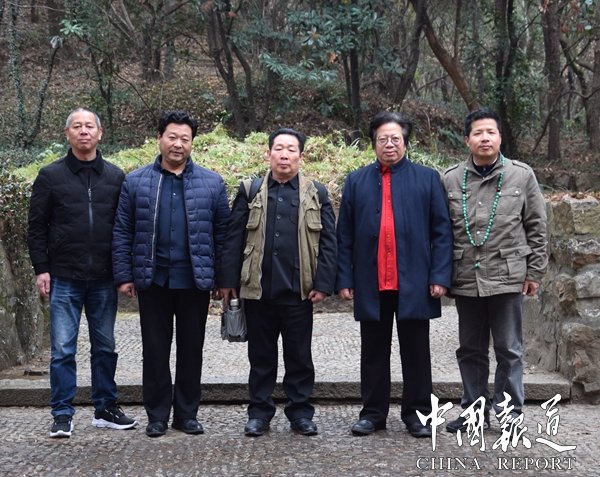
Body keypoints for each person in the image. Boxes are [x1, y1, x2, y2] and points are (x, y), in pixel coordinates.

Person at [112, 110, 230, 438]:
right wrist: (124, 275)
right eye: (172, 137)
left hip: (195, 280)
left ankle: (187, 414)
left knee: (191, 350)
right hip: (153, 279)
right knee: (154, 350)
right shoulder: (135, 182)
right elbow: (122, 231)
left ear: (192, 143)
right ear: (159, 138)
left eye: (185, 139)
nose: (178, 144)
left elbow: (223, 235)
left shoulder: (212, 183)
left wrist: (223, 280)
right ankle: (157, 415)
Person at [336, 111, 453, 438]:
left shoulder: (427, 179)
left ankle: (418, 415)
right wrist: (344, 278)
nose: (389, 144)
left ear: (405, 142)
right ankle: (373, 413)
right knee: (373, 352)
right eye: (382, 139)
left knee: (416, 353)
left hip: (414, 280)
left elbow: (442, 231)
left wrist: (440, 275)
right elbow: (344, 235)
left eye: (395, 139)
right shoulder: (356, 181)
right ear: (374, 143)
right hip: (371, 281)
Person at [218, 128, 337, 437]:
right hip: (258, 291)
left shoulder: (316, 192)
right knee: (261, 358)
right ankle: (259, 413)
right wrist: (228, 281)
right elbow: (234, 238)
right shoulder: (250, 190)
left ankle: (300, 412)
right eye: (279, 149)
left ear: (301, 156)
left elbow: (329, 242)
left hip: (299, 292)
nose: (284, 155)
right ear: (268, 153)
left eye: (291, 149)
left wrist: (323, 283)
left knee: (300, 357)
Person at [27, 108, 137, 438]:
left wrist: (124, 271)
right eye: (77, 126)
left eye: (90, 126)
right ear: (67, 134)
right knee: (63, 349)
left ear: (100, 133)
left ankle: (105, 408)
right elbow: (36, 227)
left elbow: (125, 228)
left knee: (105, 346)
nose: (84, 131)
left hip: (103, 277)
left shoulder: (115, 177)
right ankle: (62, 413)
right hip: (64, 276)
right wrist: (41, 268)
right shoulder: (50, 176)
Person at [442, 108, 547, 433]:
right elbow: (441, 232)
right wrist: (442, 276)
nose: (484, 138)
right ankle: (473, 411)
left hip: (508, 275)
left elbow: (537, 226)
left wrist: (535, 272)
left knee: (509, 350)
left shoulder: (521, 175)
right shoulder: (450, 178)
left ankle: (509, 414)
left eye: (491, 132)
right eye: (478, 133)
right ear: (467, 139)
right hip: (466, 277)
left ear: (500, 137)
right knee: (470, 350)